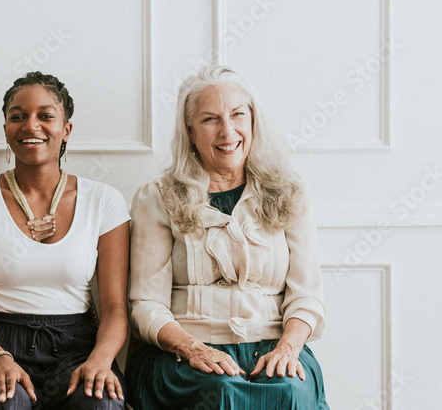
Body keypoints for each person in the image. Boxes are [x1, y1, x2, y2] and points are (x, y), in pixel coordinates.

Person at [127, 65, 328, 409]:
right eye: (210, 119)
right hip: (184, 353)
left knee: (289, 391)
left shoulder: (289, 191)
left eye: (238, 115)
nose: (227, 130)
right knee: (222, 391)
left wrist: (288, 349)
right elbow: (147, 304)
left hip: (273, 347)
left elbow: (306, 296)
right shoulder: (157, 198)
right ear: (190, 131)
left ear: (252, 121)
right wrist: (192, 348)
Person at [0, 72, 130, 409]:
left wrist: (101, 360)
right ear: (5, 129)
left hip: (78, 345)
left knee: (100, 404)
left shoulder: (104, 200)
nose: (31, 126)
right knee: (5, 403)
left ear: (66, 130)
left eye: (45, 116)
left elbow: (116, 307)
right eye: (18, 116)